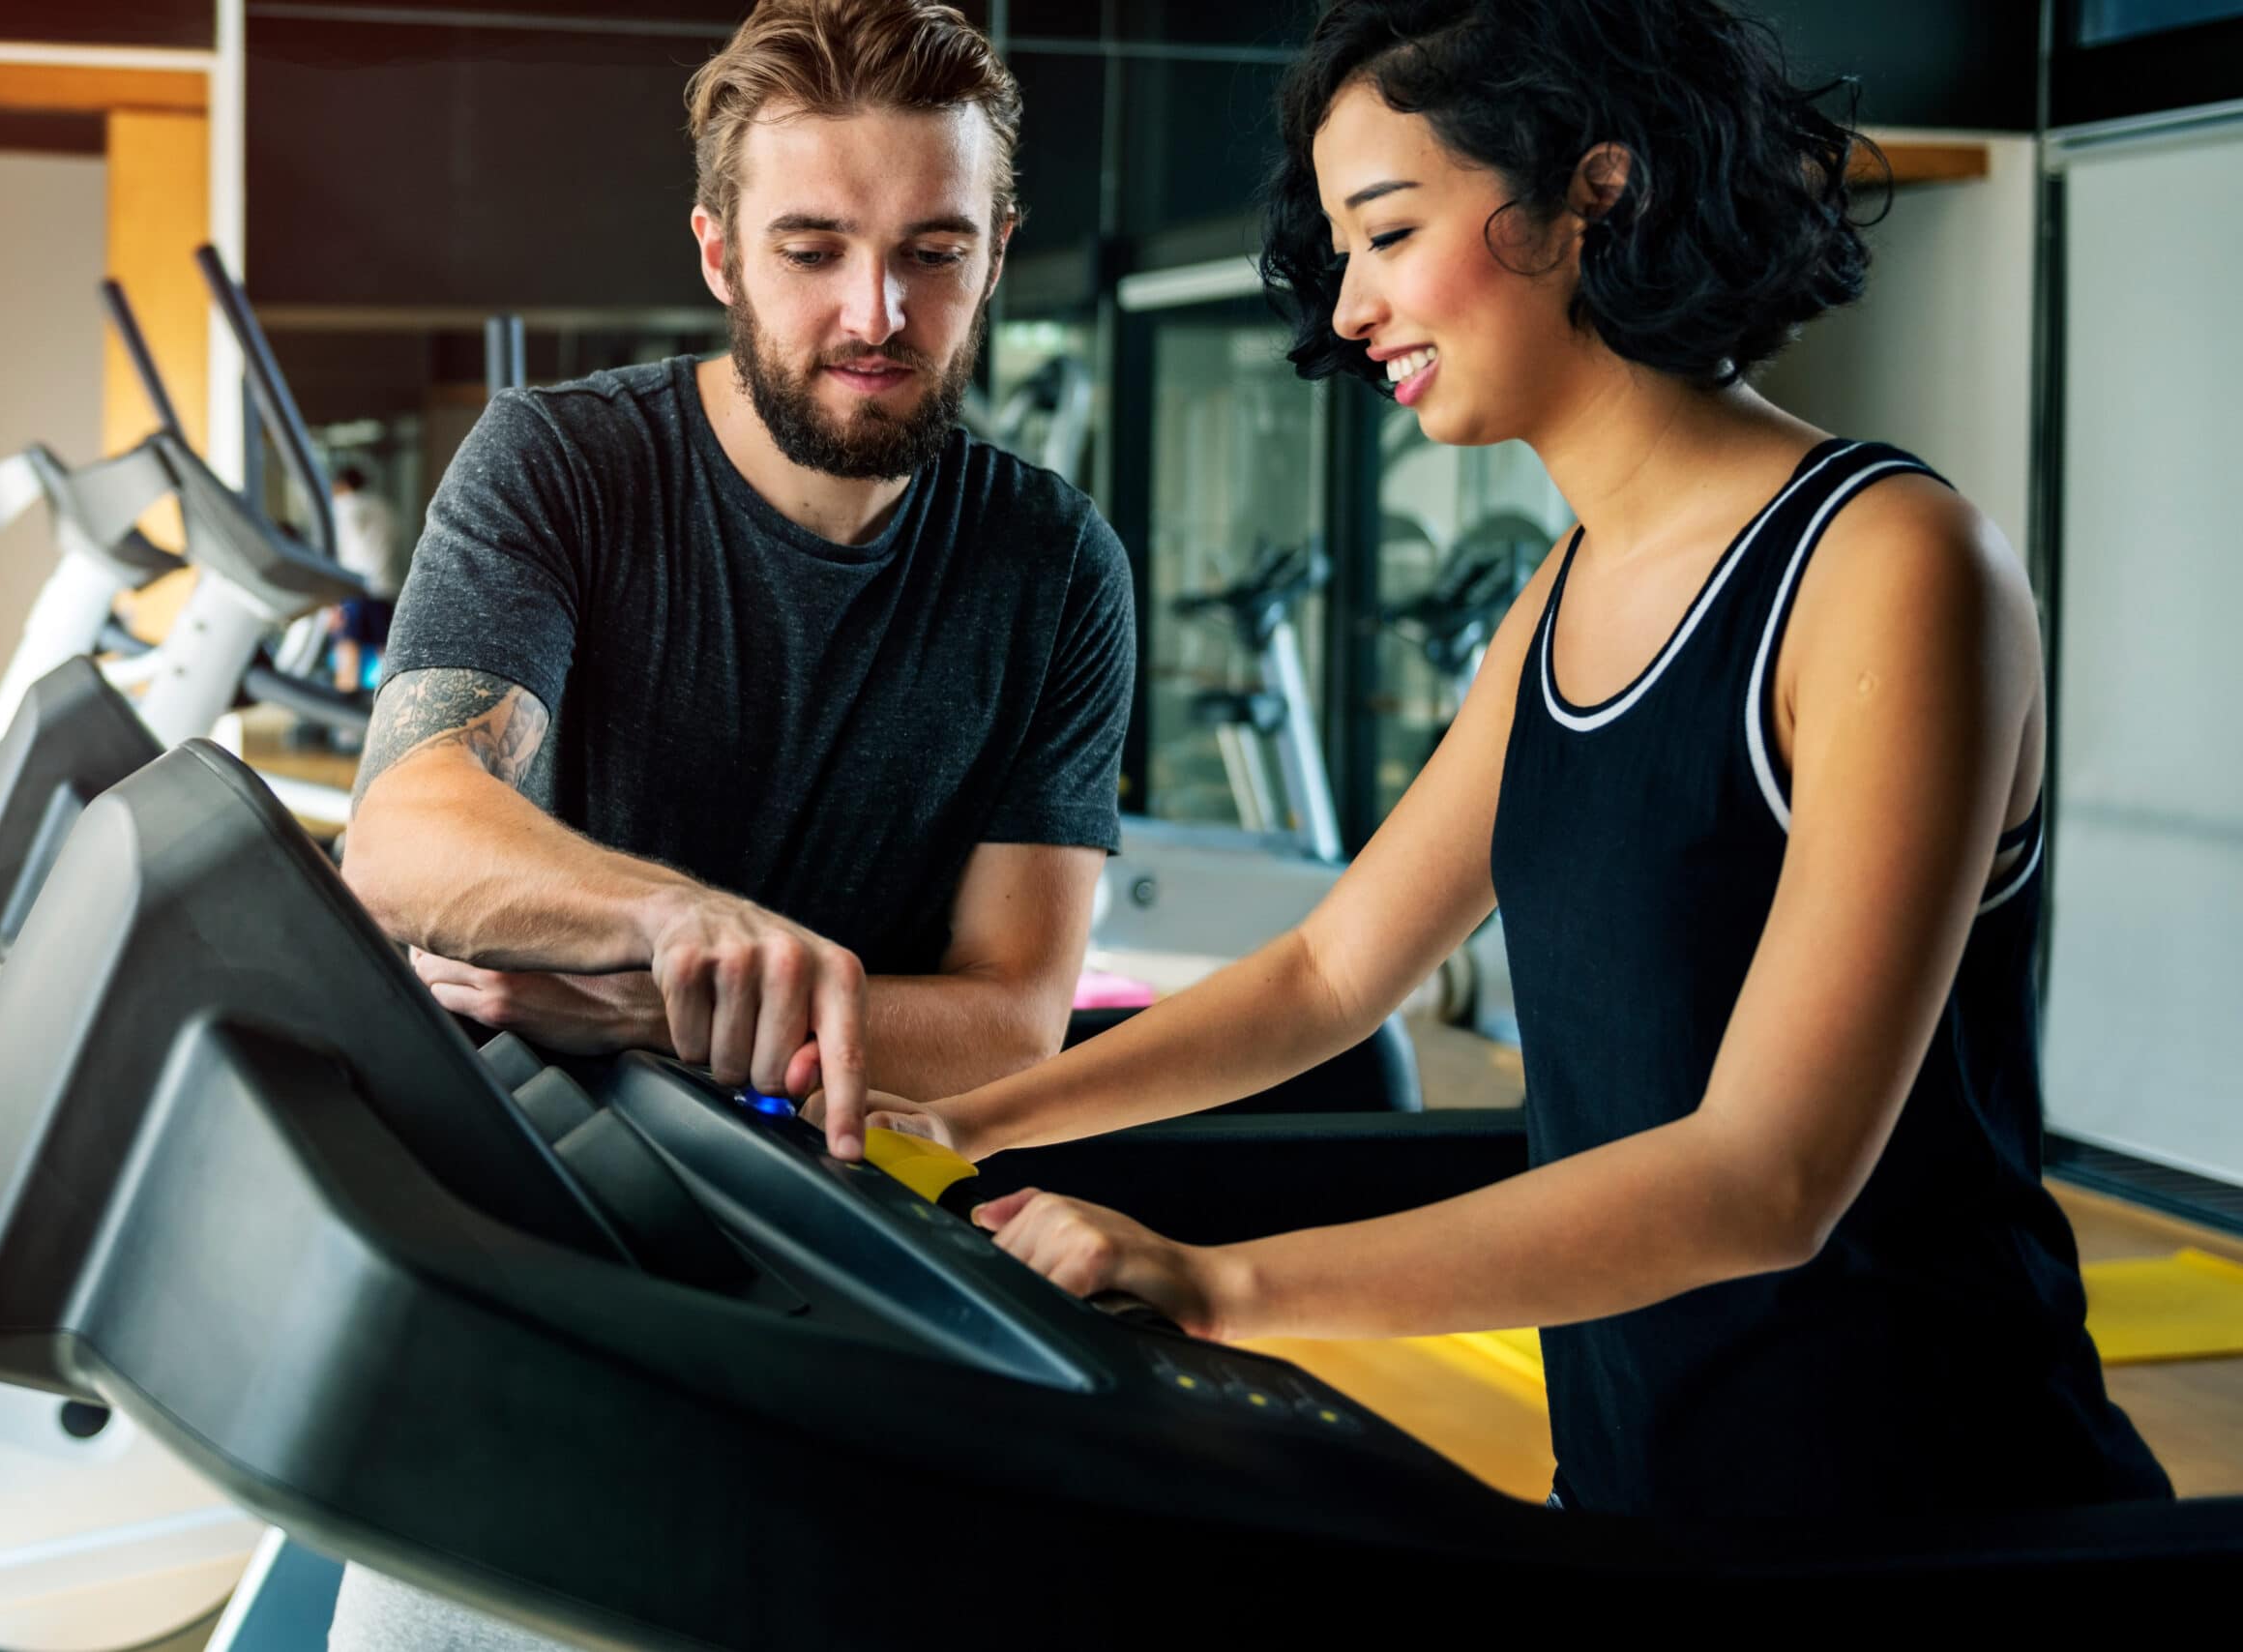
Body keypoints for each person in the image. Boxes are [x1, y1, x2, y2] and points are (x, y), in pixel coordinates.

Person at [877, 0, 2172, 1521]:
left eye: (1388, 229)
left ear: (1589, 197)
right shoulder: (1560, 596)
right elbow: (1327, 979)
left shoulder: (1891, 566)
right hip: (1643, 1498)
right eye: (1344, 251)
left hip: (1932, 1511)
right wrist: (966, 1124)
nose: (1351, 308)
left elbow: (1768, 1176)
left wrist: (1220, 1287)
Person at [330, 2, 1133, 1643]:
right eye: (814, 246)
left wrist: (664, 1015)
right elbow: (410, 829)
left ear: (996, 253)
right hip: (537, 1251)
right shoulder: (557, 466)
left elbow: (1010, 1014)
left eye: (935, 250)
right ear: (717, 251)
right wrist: (688, 926)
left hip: (854, 1288)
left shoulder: (1053, 567)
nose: (876, 309)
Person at [326, 459, 403, 698]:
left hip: (355, 588)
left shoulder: (342, 506)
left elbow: (334, 551)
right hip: (386, 586)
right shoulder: (385, 509)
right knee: (386, 654)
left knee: (348, 648)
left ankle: (344, 716)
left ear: (340, 485)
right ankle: (390, 705)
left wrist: (330, 601)